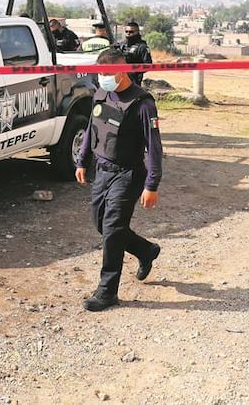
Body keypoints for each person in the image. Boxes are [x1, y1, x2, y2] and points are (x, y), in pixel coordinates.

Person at [75, 48, 163, 312]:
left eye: (107, 73)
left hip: (128, 173)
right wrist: (82, 160)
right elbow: (92, 128)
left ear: (122, 70)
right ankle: (145, 250)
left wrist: (152, 184)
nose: (103, 78)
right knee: (101, 224)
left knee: (113, 230)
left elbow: (154, 147)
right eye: (100, 73)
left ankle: (107, 291)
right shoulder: (101, 93)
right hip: (102, 170)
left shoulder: (143, 104)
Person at [119, 21, 152, 85]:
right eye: (126, 31)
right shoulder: (121, 45)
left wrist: (133, 71)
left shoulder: (142, 47)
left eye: (131, 32)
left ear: (137, 32)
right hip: (120, 79)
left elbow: (148, 65)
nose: (128, 34)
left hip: (134, 80)